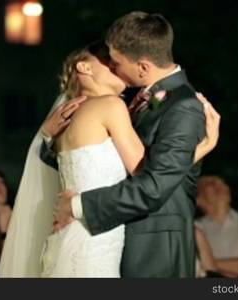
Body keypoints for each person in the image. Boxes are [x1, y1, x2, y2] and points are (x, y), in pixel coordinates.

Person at [32, 12, 220, 278]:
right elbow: (96, 163)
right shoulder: (142, 98)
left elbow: (154, 186)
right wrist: (47, 138)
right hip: (112, 240)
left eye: (117, 62)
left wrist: (76, 206)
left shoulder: (184, 106)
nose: (114, 67)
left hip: (153, 250)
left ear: (143, 66)